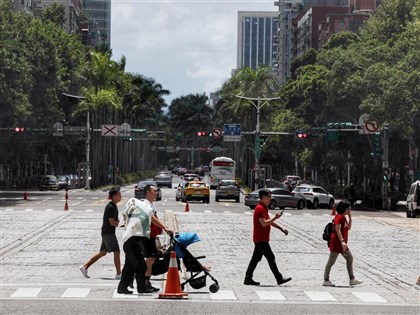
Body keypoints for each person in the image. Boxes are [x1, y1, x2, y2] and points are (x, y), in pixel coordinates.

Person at [244, 188, 292, 286]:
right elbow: (264, 223)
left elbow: (269, 221)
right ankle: (279, 278)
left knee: (255, 259)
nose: (270, 199)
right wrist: (275, 217)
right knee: (270, 258)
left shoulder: (264, 207)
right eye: (269, 197)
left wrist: (281, 228)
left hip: (261, 238)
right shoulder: (260, 208)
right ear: (264, 197)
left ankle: (248, 278)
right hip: (261, 239)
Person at [80, 186, 122, 279]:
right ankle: (119, 274)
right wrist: (122, 224)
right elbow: (112, 222)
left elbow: (115, 221)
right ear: (114, 196)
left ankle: (85, 267)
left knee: (102, 252)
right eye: (119, 195)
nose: (120, 197)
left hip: (107, 232)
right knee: (117, 252)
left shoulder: (114, 206)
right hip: (108, 233)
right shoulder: (110, 207)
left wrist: (119, 222)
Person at [117, 198, 154, 294]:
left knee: (130, 267)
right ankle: (140, 288)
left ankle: (123, 288)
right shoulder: (135, 217)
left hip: (134, 244)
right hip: (131, 244)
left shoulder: (136, 217)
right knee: (140, 265)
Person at [139, 184, 172, 291]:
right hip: (147, 236)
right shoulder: (146, 204)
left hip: (152, 236)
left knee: (151, 260)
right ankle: (144, 282)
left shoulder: (152, 204)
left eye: (157, 191)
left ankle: (146, 281)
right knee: (149, 260)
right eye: (154, 191)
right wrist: (165, 228)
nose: (156, 193)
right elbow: (152, 219)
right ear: (148, 192)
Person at [323, 200, 363, 287]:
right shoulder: (339, 217)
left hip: (342, 245)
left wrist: (350, 217)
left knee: (350, 259)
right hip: (337, 244)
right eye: (348, 209)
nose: (349, 210)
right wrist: (342, 241)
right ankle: (326, 280)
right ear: (344, 209)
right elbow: (337, 229)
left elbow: (348, 228)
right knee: (331, 262)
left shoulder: (344, 218)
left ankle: (352, 279)